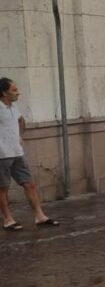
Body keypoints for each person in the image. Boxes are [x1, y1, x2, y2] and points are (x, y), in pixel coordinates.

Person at [0, 77, 58, 231]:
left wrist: (20, 136)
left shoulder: (13, 107)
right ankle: (8, 219)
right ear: (4, 93)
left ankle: (40, 216)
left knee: (29, 184)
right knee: (2, 189)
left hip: (18, 153)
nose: (18, 93)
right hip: (2, 155)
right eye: (14, 90)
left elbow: (20, 120)